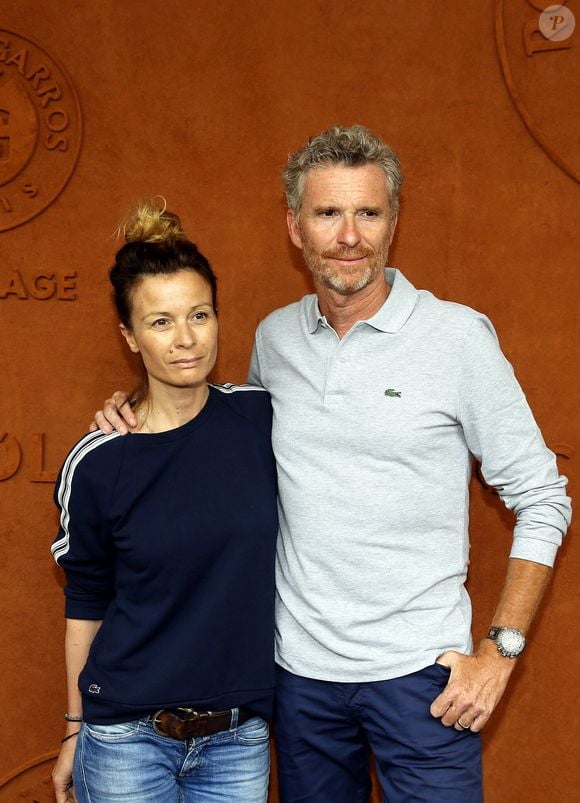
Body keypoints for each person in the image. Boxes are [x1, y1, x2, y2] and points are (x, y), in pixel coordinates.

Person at [94, 127, 572, 803]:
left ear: (394, 222)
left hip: (424, 680)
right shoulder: (275, 339)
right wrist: (132, 413)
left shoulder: (458, 338)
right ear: (295, 226)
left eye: (368, 213)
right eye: (328, 213)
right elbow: (220, 438)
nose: (350, 236)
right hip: (298, 682)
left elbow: (543, 495)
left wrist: (500, 653)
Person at [51, 201, 278, 803]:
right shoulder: (98, 462)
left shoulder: (261, 418)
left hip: (238, 739)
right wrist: (74, 729)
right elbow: (85, 598)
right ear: (129, 335)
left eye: (199, 315)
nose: (185, 339)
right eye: (160, 322)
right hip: (126, 739)